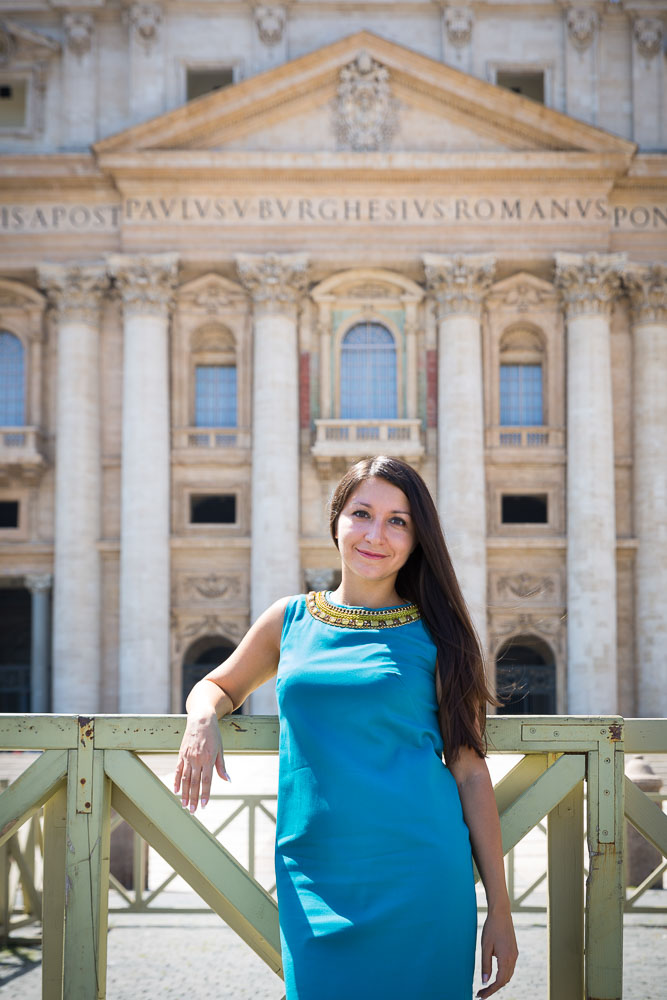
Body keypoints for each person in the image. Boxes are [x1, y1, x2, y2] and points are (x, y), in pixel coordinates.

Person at [175, 455, 518, 1000]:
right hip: (314, 874)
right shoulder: (289, 619)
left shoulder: (442, 635)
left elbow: (471, 774)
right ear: (336, 521)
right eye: (362, 514)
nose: (375, 535)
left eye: (397, 521)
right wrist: (201, 719)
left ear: (416, 538)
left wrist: (499, 910)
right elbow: (218, 686)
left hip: (422, 873)